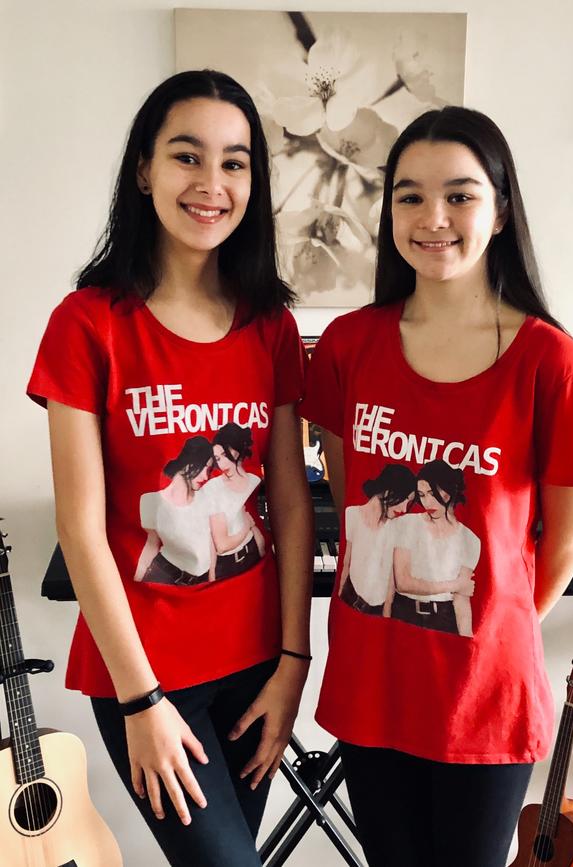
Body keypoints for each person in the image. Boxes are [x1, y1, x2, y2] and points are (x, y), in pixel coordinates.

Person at [27, 70, 313, 867]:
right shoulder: (86, 325)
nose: (212, 184)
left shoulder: (270, 326)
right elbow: (80, 528)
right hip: (149, 673)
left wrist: (295, 663)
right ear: (145, 169)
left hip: (257, 667)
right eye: (188, 157)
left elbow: (289, 507)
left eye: (235, 162)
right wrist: (140, 699)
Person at [301, 106, 573, 867]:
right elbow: (350, 489)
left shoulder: (549, 362)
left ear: (500, 211)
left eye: (461, 195)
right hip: (374, 687)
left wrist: (493, 631)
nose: (434, 217)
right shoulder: (347, 346)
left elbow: (569, 535)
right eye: (409, 196)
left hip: (486, 699)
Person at [387, 459, 479, 637]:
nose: (427, 502)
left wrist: (467, 639)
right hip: (403, 612)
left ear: (449, 490)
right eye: (421, 494)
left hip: (446, 619)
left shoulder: (471, 539)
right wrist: (455, 584)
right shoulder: (406, 524)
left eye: (432, 492)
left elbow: (461, 600)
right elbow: (403, 582)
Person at [135, 435, 216, 586]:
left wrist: (212, 580)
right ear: (188, 463)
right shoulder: (150, 501)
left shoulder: (207, 498)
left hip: (202, 581)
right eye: (202, 468)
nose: (206, 476)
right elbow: (151, 544)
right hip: (165, 575)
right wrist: (136, 584)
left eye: (209, 469)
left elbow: (212, 542)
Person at [338, 464, 416, 616]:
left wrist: (386, 615)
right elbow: (345, 563)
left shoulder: (396, 528)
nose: (405, 509)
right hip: (350, 599)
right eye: (403, 499)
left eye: (409, 502)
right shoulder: (352, 514)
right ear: (388, 490)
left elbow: (391, 581)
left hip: (378, 610)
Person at [204, 422, 266, 580]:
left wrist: (261, 551)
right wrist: (246, 527)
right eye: (217, 458)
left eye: (225, 455)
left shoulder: (254, 480)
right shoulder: (213, 488)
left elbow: (257, 530)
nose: (222, 464)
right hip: (227, 565)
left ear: (237, 449)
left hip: (254, 554)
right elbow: (221, 545)